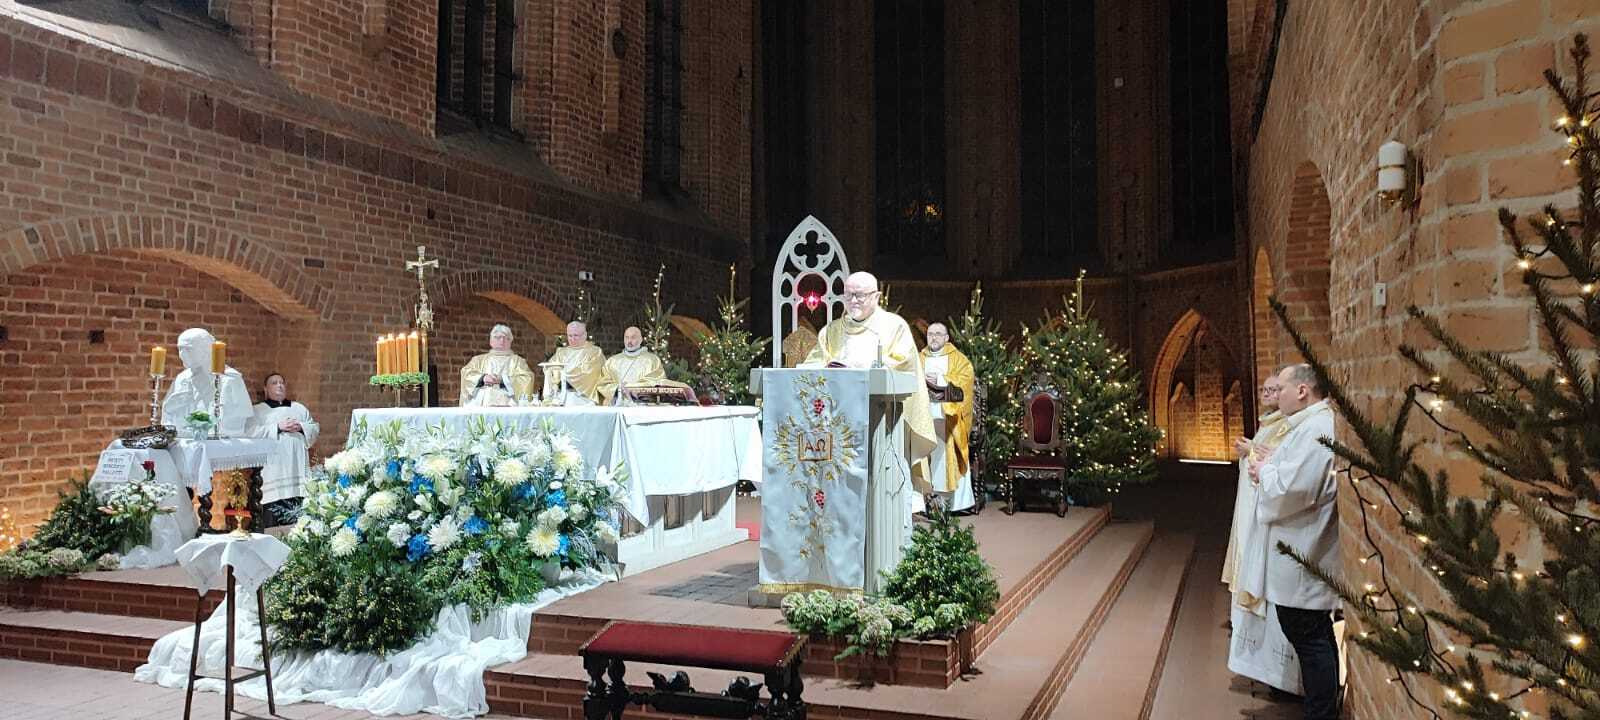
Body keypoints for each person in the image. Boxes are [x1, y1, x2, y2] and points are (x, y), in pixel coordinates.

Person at [1247, 363, 1341, 720]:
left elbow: (1295, 489)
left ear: (1302, 391)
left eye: (1281, 389)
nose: (1276, 396)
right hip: (1300, 543)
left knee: (1310, 637)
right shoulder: (1309, 425)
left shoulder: (1318, 427)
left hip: (1305, 546)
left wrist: (1263, 471)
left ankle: (1321, 713)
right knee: (1311, 633)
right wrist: (1273, 462)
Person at [802, 272, 937, 495]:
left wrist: (861, 368)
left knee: (880, 487)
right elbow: (813, 365)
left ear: (876, 297)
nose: (853, 300)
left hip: (883, 417)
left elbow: (904, 364)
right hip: (838, 418)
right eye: (848, 295)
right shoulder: (832, 331)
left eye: (860, 295)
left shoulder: (894, 326)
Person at [1225, 370, 1301, 694]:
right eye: (1266, 389)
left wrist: (1252, 453)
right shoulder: (1271, 423)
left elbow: (1285, 469)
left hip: (1279, 525)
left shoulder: (1293, 426)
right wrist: (1253, 453)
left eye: (1276, 389)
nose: (1269, 394)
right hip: (1257, 516)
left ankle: (1283, 679)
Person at [248, 373, 320, 526]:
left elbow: (314, 429)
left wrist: (301, 427)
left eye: (281, 382)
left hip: (297, 473)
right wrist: (277, 427)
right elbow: (250, 432)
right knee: (273, 523)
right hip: (273, 473)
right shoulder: (258, 411)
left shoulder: (299, 408)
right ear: (265, 389)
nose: (279, 385)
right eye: (274, 383)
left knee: (299, 524)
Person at [919, 322, 976, 512]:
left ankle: (953, 504)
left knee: (947, 453)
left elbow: (966, 380)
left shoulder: (958, 359)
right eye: (930, 334)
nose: (933, 337)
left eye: (938, 334)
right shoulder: (919, 358)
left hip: (948, 418)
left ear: (946, 338)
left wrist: (940, 379)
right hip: (923, 417)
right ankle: (924, 502)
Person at [161, 328, 253, 438]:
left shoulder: (229, 379)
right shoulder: (182, 378)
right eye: (180, 349)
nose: (182, 354)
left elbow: (236, 422)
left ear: (206, 350)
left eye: (188, 349)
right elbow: (168, 418)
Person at [460, 324, 536, 407]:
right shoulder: (478, 360)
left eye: (506, 338)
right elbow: (466, 373)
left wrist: (504, 380)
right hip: (482, 403)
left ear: (510, 342)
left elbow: (527, 378)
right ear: (491, 341)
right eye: (498, 337)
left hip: (508, 403)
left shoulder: (518, 361)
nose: (502, 341)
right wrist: (483, 378)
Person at [598, 326, 668, 405]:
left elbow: (659, 384)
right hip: (618, 405)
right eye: (626, 337)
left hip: (643, 406)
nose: (629, 341)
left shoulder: (652, 360)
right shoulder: (612, 361)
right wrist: (618, 389)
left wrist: (632, 388)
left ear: (641, 340)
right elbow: (603, 383)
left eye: (633, 337)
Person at [545, 321, 605, 406]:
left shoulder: (595, 352)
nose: (572, 339)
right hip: (561, 397)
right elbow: (549, 368)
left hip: (584, 399)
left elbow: (588, 374)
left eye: (576, 335)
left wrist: (563, 373)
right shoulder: (561, 352)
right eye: (570, 336)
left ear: (585, 335)